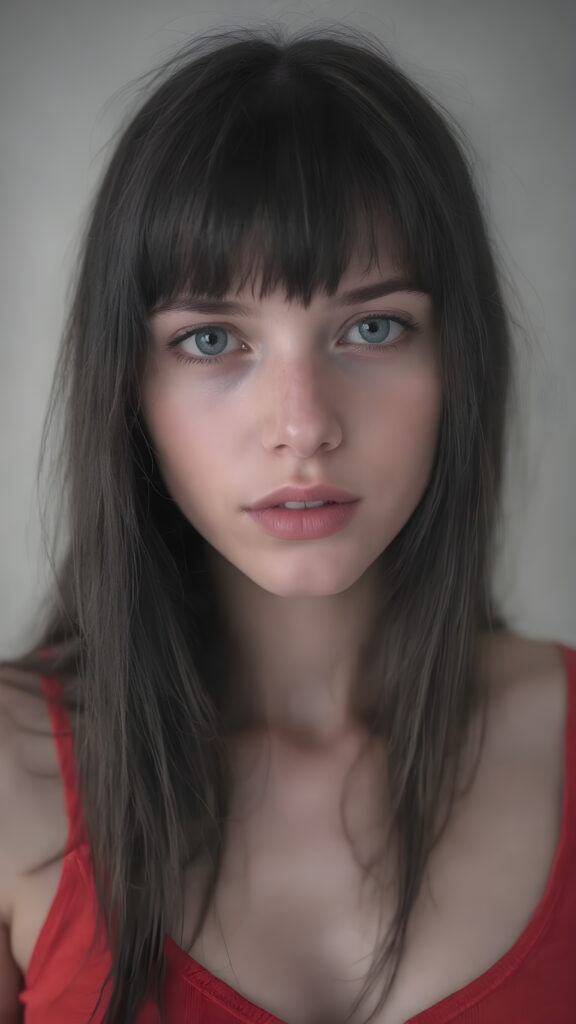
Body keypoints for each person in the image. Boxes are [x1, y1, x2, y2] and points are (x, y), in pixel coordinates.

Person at [0, 22, 574, 1024]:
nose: (304, 426)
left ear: (459, 365)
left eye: (373, 326)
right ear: (126, 387)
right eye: (213, 338)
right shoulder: (9, 775)